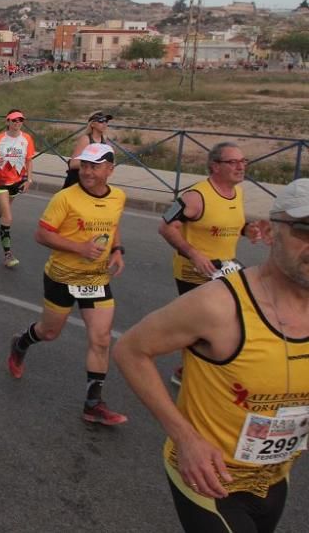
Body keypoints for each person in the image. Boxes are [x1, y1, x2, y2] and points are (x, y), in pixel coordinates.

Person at [114, 178, 309, 533]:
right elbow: (130, 350)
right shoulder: (219, 306)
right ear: (267, 231)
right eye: (305, 229)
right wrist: (184, 438)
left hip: (275, 476)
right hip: (209, 479)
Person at [7, 143, 128, 425]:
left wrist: (118, 250)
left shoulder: (119, 196)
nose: (87, 171)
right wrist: (80, 248)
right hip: (62, 276)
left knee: (101, 339)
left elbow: (112, 224)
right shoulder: (65, 198)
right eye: (84, 165)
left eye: (94, 166)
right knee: (49, 333)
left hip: (96, 278)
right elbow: (41, 234)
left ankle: (93, 404)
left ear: (110, 169)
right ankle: (20, 342)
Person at [158, 141, 263, 385]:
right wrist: (194, 254)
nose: (241, 166)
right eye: (233, 162)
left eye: (243, 161)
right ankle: (190, 372)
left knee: (232, 322)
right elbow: (165, 227)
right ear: (215, 166)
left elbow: (226, 223)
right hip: (195, 274)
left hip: (225, 271)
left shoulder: (237, 192)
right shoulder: (195, 197)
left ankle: (195, 369)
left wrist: (248, 230)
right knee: (207, 326)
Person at [0, 109, 35, 268]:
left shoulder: (27, 139)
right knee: (8, 216)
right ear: (7, 121)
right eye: (14, 120)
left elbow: (29, 160)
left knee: (0, 210)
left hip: (16, 181)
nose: (17, 123)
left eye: (20, 120)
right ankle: (8, 255)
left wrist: (29, 179)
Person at [63, 111, 111, 188]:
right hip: (77, 180)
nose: (105, 124)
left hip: (93, 180)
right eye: (101, 121)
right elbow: (73, 164)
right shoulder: (86, 139)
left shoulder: (104, 139)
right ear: (92, 124)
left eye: (106, 121)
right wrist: (95, 163)